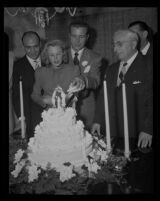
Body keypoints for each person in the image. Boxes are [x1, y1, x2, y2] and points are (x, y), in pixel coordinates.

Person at [92, 29, 153, 150]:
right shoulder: (111, 69)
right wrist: (97, 120)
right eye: (114, 45)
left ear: (134, 44)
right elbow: (103, 96)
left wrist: (148, 129)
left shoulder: (149, 65)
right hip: (113, 131)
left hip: (138, 133)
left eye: (119, 44)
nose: (115, 49)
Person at [67, 21, 102, 131]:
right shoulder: (60, 55)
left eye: (81, 36)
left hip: (86, 108)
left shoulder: (95, 57)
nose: (77, 41)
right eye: (74, 36)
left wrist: (84, 80)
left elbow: (96, 81)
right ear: (69, 36)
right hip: (64, 108)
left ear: (87, 37)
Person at [31, 39, 80, 109]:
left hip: (68, 113)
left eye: (58, 54)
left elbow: (76, 94)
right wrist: (43, 101)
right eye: (52, 55)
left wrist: (54, 101)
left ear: (63, 53)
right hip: (49, 114)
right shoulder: (40, 72)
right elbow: (34, 95)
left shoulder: (74, 70)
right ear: (47, 56)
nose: (55, 58)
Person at [12, 31, 43, 140]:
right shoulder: (17, 67)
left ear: (40, 44)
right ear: (24, 47)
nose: (33, 51)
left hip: (53, 116)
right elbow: (16, 95)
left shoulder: (50, 60)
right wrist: (22, 118)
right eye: (28, 47)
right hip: (31, 117)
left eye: (35, 46)